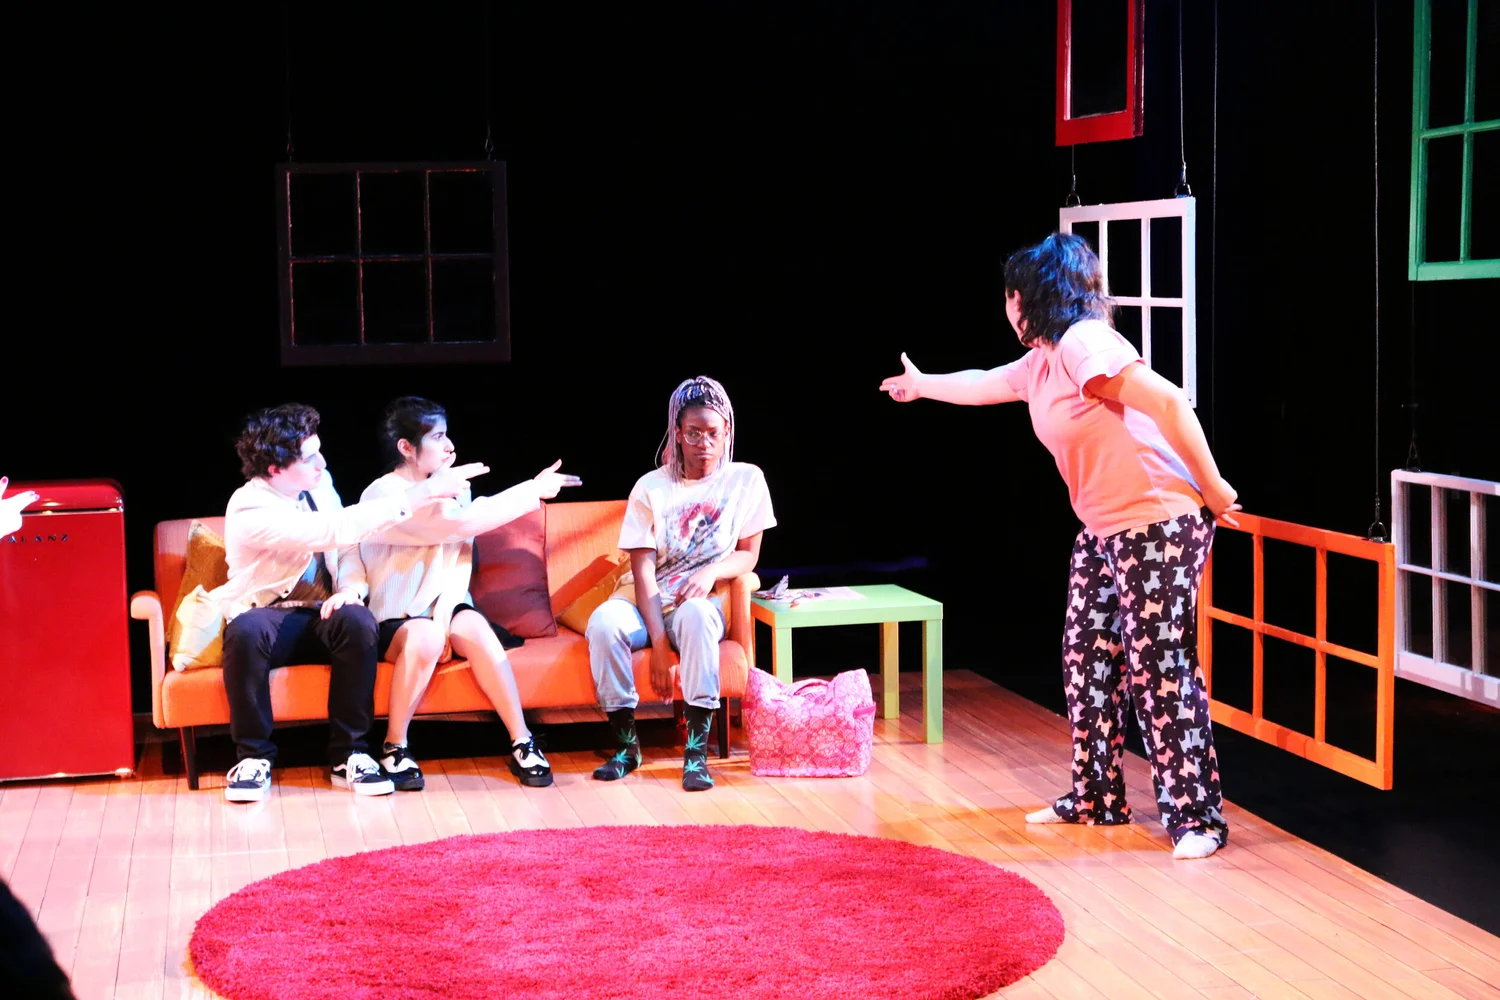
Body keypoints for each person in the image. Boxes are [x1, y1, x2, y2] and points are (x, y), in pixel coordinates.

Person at [880, 232, 1239, 860]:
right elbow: (986, 382)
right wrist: (924, 384)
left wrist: (1215, 490)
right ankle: (1097, 796)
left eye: (1009, 296)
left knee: (1160, 669)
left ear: (1029, 297)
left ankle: (1197, 817)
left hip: (1155, 523)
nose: (1006, 308)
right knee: (1086, 659)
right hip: (1103, 528)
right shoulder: (1044, 359)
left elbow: (1168, 400)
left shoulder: (1083, 343)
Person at [217, 403, 484, 802]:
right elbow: (332, 529)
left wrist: (350, 589)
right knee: (245, 630)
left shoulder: (320, 486)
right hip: (269, 615)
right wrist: (424, 492)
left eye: (319, 451)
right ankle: (254, 757)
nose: (322, 464)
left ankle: (351, 755)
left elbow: (345, 548)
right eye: (309, 458)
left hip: (321, 613)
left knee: (357, 620)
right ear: (274, 470)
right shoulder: (249, 507)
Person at [358, 396, 582, 790]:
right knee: (426, 636)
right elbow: (454, 527)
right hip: (397, 615)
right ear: (406, 447)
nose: (449, 446)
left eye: (448, 435)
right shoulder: (383, 496)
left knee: (476, 629)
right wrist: (531, 491)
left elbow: (457, 561)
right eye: (437, 437)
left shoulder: (452, 488)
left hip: (444, 605)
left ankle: (523, 740)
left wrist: (446, 619)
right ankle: (395, 746)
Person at [586, 376, 775, 791]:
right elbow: (642, 572)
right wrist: (657, 644)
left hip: (701, 603)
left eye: (713, 433)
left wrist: (710, 572)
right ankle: (626, 746)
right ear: (677, 432)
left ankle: (695, 754)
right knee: (603, 623)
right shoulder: (651, 487)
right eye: (693, 433)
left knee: (696, 615)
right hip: (646, 601)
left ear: (727, 432)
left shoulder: (746, 480)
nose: (703, 443)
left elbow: (749, 555)